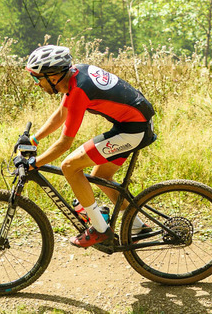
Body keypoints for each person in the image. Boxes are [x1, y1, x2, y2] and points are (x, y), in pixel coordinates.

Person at [24, 45, 157, 248]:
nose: (36, 84)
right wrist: (33, 139)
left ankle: (99, 229)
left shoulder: (79, 90)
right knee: (101, 178)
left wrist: (35, 163)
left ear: (52, 76)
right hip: (133, 124)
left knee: (69, 166)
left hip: (133, 130)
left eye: (37, 78)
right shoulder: (75, 75)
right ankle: (137, 226)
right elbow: (62, 114)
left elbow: (64, 143)